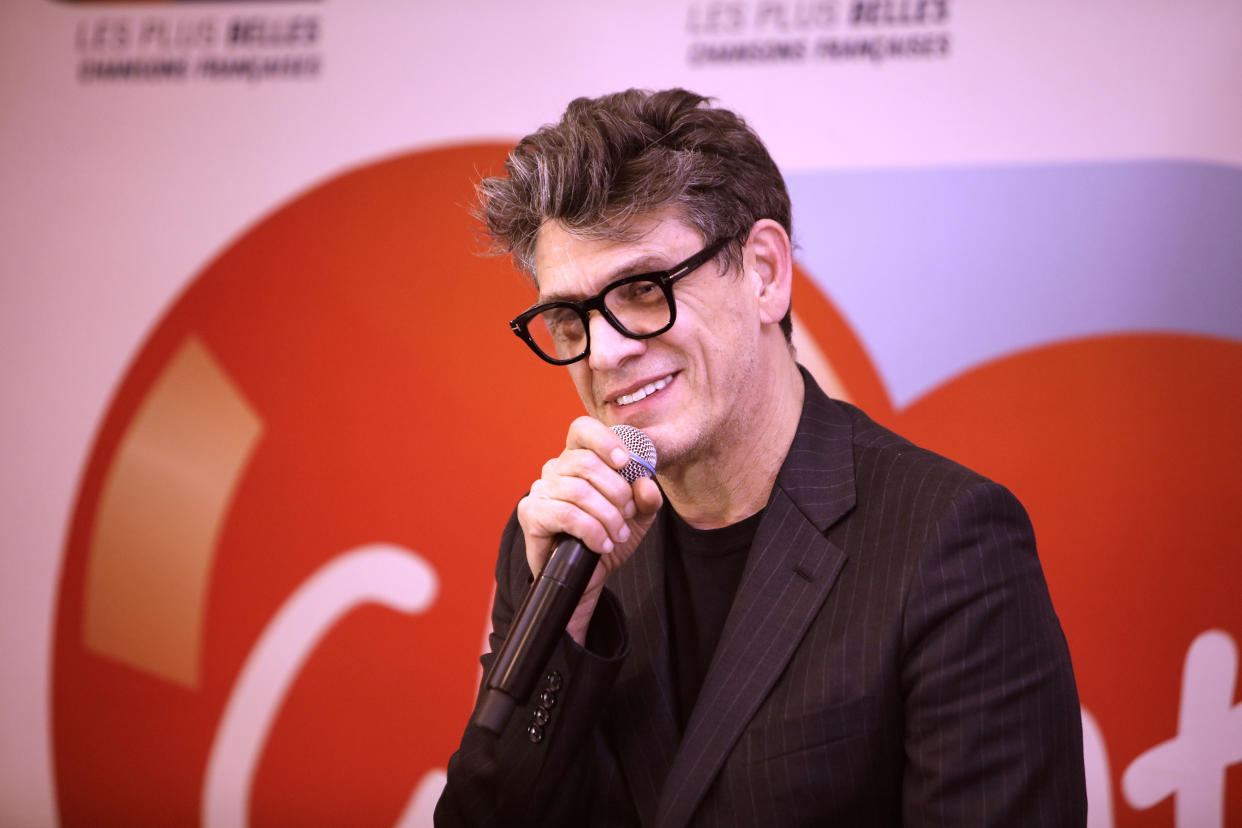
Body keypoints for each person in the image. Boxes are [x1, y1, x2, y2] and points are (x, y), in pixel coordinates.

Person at [435, 88, 1086, 827]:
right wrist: (566, 627)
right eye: (567, 316)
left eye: (645, 290)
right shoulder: (564, 548)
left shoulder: (948, 539)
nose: (608, 351)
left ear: (765, 272)